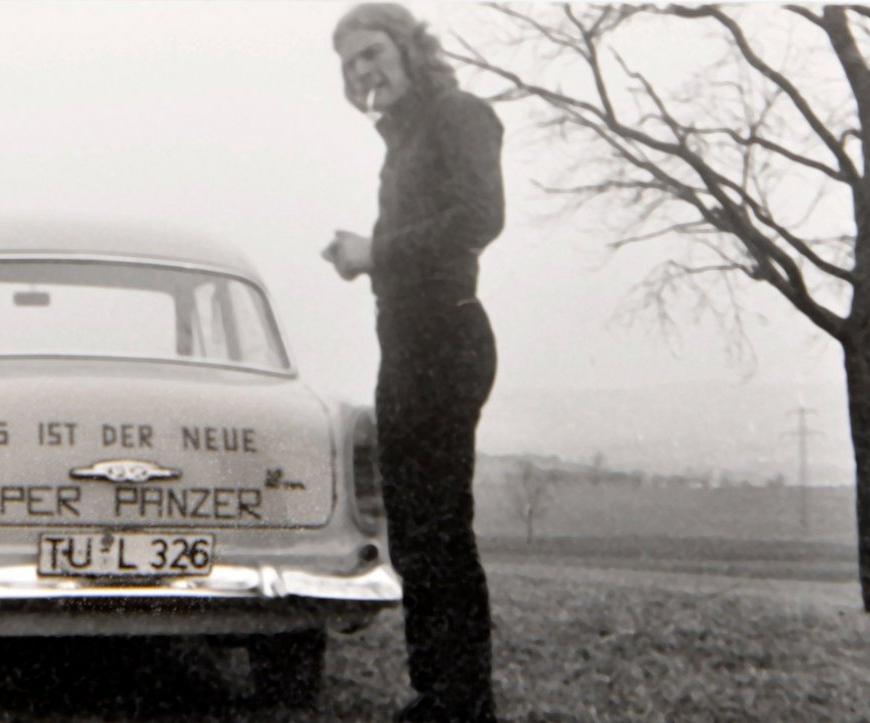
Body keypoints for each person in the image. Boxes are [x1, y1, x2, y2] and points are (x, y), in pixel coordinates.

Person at [323, 4, 504, 721]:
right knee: (416, 526)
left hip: (446, 340)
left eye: (371, 52)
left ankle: (460, 701)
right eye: (350, 64)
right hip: (407, 340)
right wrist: (366, 260)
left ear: (408, 47)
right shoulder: (401, 139)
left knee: (439, 526)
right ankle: (441, 693)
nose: (364, 71)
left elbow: (480, 217)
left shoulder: (459, 113)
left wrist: (377, 253)